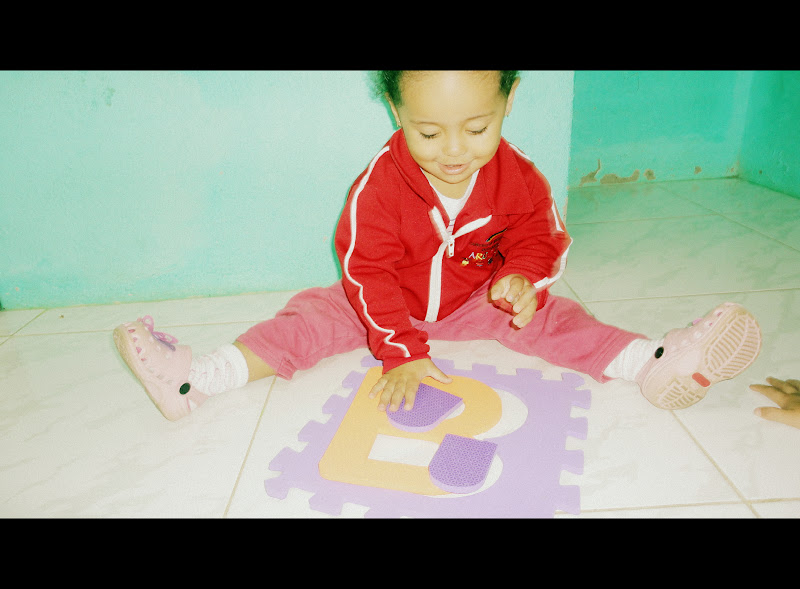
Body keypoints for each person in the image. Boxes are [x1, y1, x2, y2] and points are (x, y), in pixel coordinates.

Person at [113, 70, 763, 422]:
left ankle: (654, 360)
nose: (453, 151)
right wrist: (401, 350)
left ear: (509, 99)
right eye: (428, 133)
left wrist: (522, 278)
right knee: (307, 318)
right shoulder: (376, 190)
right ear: (396, 111)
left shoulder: (520, 177)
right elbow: (366, 272)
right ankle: (196, 379)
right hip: (382, 306)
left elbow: (543, 235)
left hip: (477, 299)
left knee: (556, 320)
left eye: (476, 128)